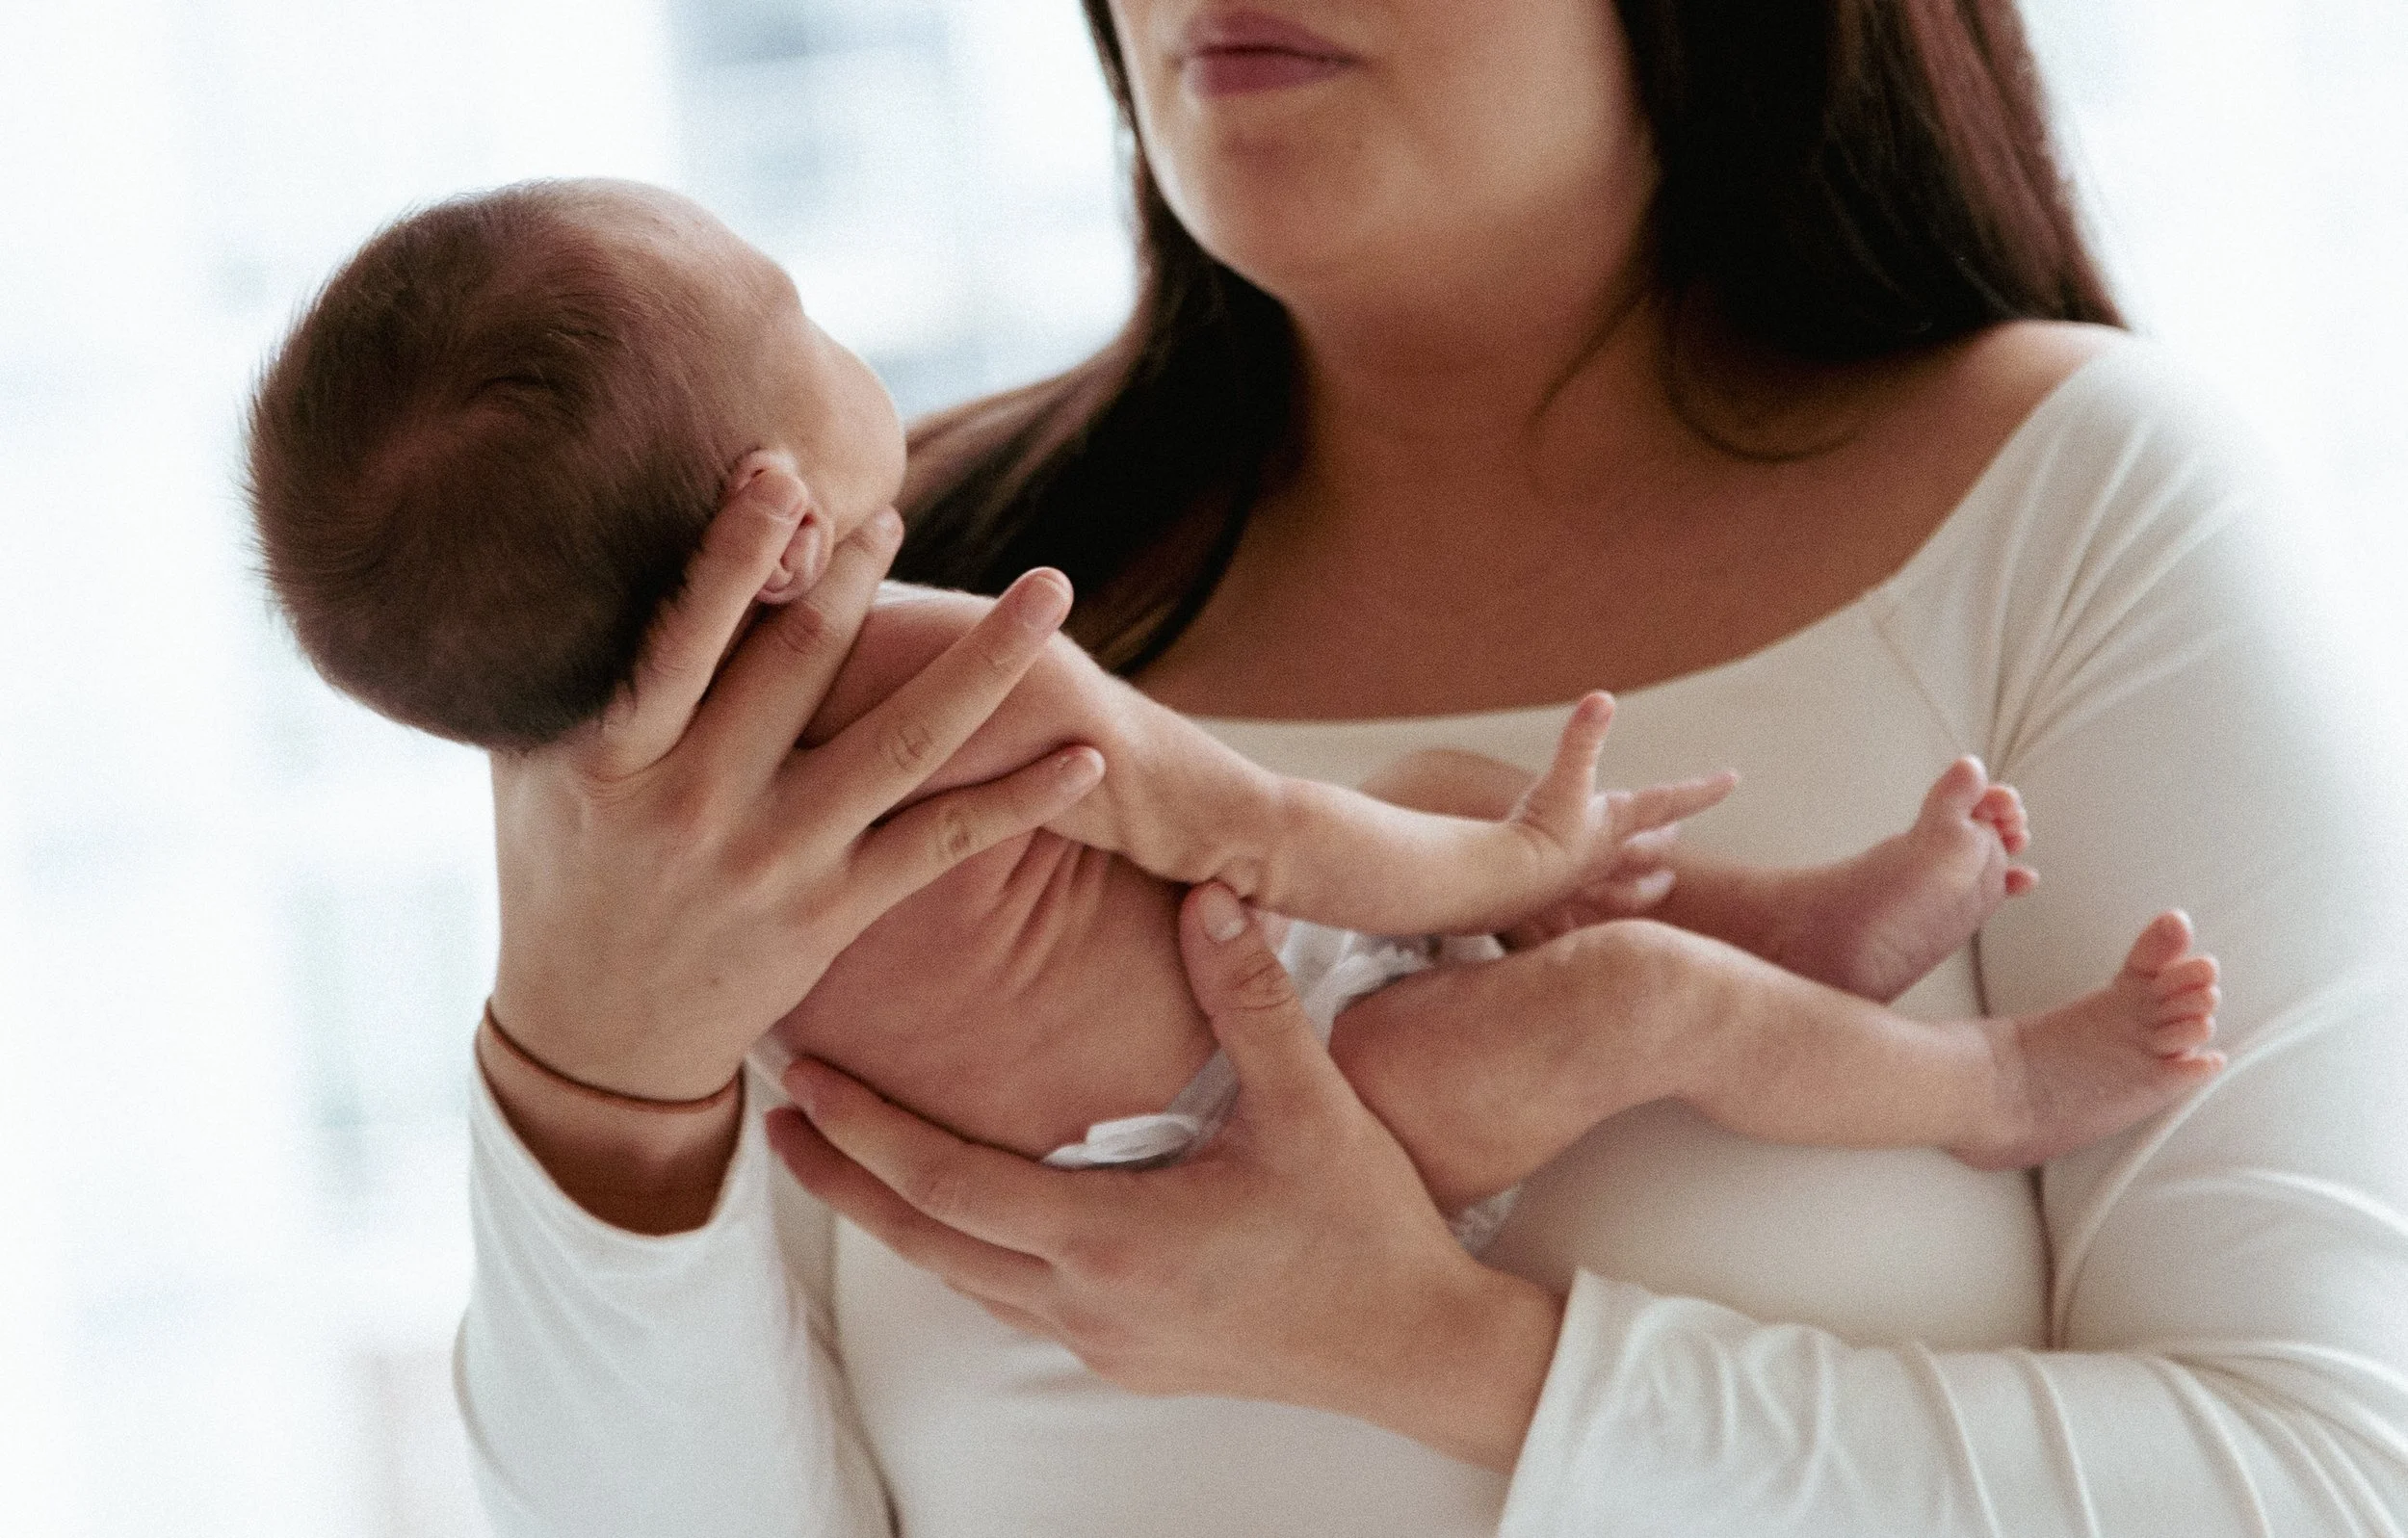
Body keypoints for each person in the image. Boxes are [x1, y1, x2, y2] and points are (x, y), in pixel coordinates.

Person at [450, 1, 2408, 1533]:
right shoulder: (840, 628)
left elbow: (2327, 1488)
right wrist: (584, 1066)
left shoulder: (2072, 498)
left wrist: (1441, 1355)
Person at [248, 176, 2220, 1231]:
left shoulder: (640, 838)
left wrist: (1468, 854)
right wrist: (1518, 851)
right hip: (1264, 1125)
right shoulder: (934, 666)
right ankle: (1991, 1091)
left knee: (1455, 812)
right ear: (774, 534)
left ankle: (1797, 934)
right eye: (800, 324)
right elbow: (1260, 828)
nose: (846, 344)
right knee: (1610, 983)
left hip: (1156, 1095)